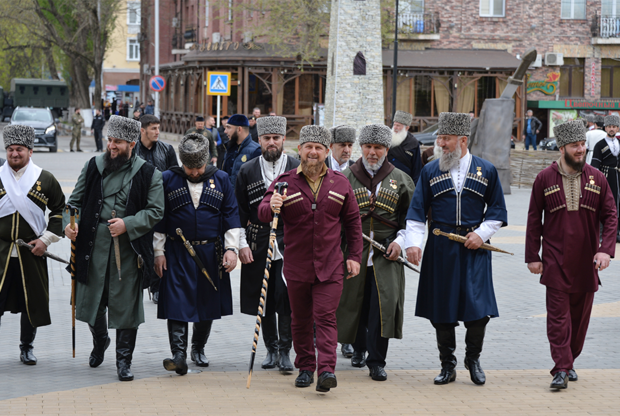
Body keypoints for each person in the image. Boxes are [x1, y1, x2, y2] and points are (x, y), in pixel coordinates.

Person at [405, 112, 507, 386]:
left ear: (462, 140)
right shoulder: (429, 171)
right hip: (440, 248)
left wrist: (481, 234)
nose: (440, 143)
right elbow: (416, 212)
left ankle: (472, 360)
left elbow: (497, 210)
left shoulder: (487, 170)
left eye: (446, 138)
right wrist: (413, 244)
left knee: (479, 310)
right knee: (442, 309)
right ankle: (447, 365)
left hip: (475, 248)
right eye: (439, 137)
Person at [258, 125, 363, 393]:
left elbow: (353, 223)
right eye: (309, 147)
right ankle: (305, 367)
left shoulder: (340, 183)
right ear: (300, 150)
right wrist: (271, 206)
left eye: (319, 148)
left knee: (326, 317)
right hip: (297, 266)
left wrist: (354, 256)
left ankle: (326, 370)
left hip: (331, 266)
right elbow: (261, 212)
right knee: (301, 319)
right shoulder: (284, 182)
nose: (313, 152)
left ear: (327, 151)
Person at [63, 115, 164, 381]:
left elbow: (155, 211)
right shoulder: (93, 166)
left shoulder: (149, 173)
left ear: (132, 143)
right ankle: (100, 341)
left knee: (125, 309)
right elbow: (73, 204)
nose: (111, 146)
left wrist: (128, 224)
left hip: (128, 253)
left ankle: (123, 361)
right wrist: (68, 225)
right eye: (109, 140)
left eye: (117, 141)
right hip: (92, 249)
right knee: (91, 305)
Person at [525, 120, 617, 390]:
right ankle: (561, 367)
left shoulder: (597, 178)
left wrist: (605, 249)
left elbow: (611, 215)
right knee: (557, 318)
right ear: (562, 147)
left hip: (587, 263)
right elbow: (533, 220)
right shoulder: (544, 178)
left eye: (583, 145)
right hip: (554, 262)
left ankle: (570, 359)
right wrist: (533, 256)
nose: (582, 150)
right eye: (576, 145)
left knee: (579, 321)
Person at [154, 133, 241, 375]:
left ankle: (198, 348)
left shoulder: (222, 179)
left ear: (207, 162)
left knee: (207, 299)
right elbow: (159, 219)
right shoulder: (167, 179)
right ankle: (178, 356)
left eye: (198, 167)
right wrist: (158, 252)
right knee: (176, 302)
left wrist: (231, 250)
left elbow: (231, 217)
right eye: (189, 167)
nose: (193, 172)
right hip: (176, 251)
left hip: (210, 251)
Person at [336, 124, 415, 381]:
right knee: (354, 302)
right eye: (368, 147)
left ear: (386, 149)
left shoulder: (401, 179)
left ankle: (377, 361)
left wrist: (400, 242)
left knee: (382, 306)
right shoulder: (344, 178)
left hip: (386, 252)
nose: (372, 152)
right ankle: (358, 349)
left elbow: (411, 219)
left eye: (378, 147)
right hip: (352, 251)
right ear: (361, 148)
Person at [235, 116, 299, 373]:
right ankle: (271, 349)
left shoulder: (297, 167)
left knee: (287, 297)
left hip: (290, 241)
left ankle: (285, 351)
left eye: (276, 138)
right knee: (264, 299)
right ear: (258, 140)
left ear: (283, 139)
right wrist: (241, 244)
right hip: (258, 240)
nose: (271, 143)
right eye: (266, 138)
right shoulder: (247, 170)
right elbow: (238, 212)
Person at [0, 125, 65, 365]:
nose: (14, 154)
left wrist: (45, 240)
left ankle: (26, 347)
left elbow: (60, 211)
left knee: (31, 302)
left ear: (30, 150)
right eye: (10, 149)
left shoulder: (44, 178)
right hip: (1, 251)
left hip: (32, 251)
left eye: (19, 149)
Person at [134, 114, 179, 304]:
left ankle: (157, 287)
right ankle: (137, 287)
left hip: (161, 206)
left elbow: (175, 175)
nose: (157, 132)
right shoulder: (132, 148)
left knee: (158, 248)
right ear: (142, 130)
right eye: (153, 128)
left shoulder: (167, 149)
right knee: (140, 249)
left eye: (158, 128)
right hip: (137, 208)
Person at [325, 125, 356, 359]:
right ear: (331, 147)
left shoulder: (356, 172)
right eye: (342, 145)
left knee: (346, 294)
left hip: (348, 241)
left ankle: (345, 339)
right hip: (326, 241)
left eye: (349, 145)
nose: (346, 150)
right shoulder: (319, 167)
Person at [591, 115, 620, 242]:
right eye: (609, 127)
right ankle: (602, 234)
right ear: (605, 128)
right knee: (605, 204)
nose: (611, 129)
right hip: (606, 178)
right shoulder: (600, 144)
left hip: (618, 177)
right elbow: (595, 166)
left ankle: (617, 233)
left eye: (614, 127)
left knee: (619, 204)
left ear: (618, 128)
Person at [223, 114, 261, 189]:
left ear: (239, 129)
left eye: (228, 127)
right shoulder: (230, 149)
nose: (225, 131)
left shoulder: (256, 151)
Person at [388, 111, 422, 185]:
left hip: (405, 182)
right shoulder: (387, 139)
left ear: (407, 128)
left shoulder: (413, 143)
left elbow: (417, 168)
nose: (395, 128)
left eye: (398, 125)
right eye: (394, 125)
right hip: (387, 180)